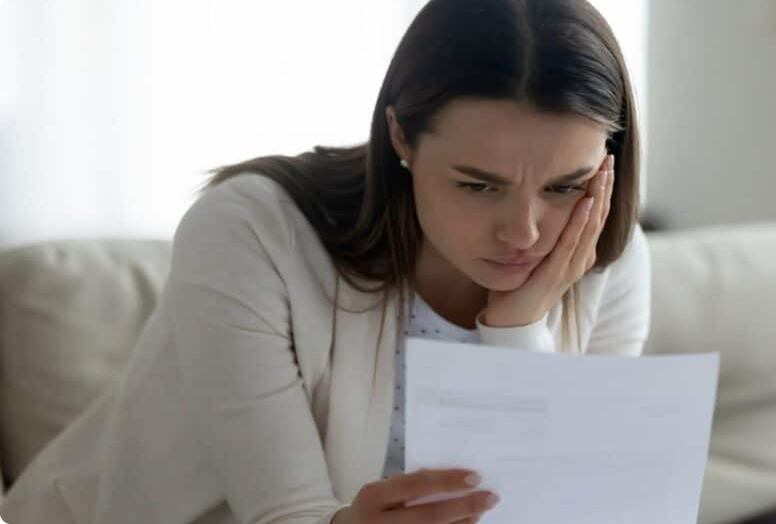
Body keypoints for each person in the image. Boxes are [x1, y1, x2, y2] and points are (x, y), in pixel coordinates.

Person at [0, 0, 650, 522]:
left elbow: (558, 508)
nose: (525, 233)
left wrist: (516, 329)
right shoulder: (251, 232)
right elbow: (284, 512)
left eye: (567, 186)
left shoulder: (609, 266)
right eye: (478, 186)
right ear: (400, 135)